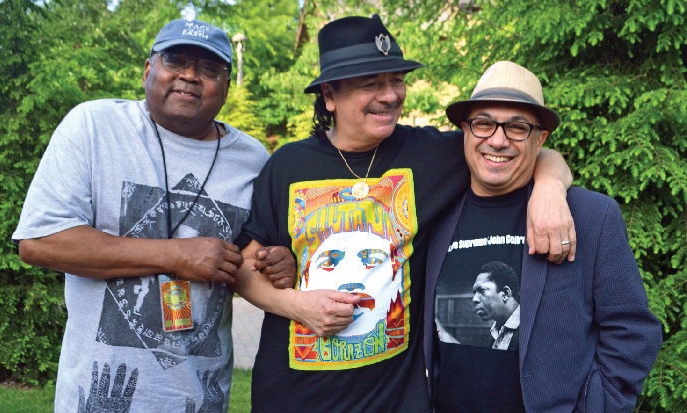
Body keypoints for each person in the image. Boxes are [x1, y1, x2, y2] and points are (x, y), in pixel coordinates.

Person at [231, 15, 576, 412]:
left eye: (396, 80)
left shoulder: (430, 154)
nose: (391, 95)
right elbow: (243, 269)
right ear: (329, 94)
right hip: (294, 396)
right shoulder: (288, 165)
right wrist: (297, 304)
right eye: (371, 83)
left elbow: (522, 146)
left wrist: (549, 189)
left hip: (394, 400)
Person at [12, 18, 291, 413]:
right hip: (98, 398)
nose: (191, 76)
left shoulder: (252, 159)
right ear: (148, 70)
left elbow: (249, 260)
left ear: (227, 87)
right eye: (176, 60)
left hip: (202, 399)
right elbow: (40, 241)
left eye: (210, 69)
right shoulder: (94, 126)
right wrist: (176, 256)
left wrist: (279, 263)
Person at [424, 60, 663, 412]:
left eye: (517, 127)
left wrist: (598, 405)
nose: (498, 139)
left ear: (541, 138)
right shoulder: (436, 212)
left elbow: (632, 329)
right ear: (466, 130)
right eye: (484, 123)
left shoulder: (590, 216)